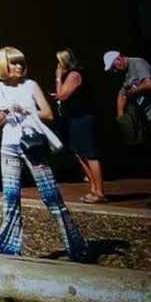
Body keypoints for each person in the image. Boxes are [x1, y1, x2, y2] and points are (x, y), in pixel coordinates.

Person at [0, 47, 90, 262]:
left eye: (21, 63)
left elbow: (49, 114)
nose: (19, 67)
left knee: (51, 194)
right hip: (9, 145)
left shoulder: (31, 86)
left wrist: (27, 111)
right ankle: (8, 245)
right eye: (14, 63)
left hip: (32, 144)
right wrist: (7, 112)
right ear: (4, 66)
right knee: (10, 196)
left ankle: (76, 245)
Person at [53, 51, 106, 202]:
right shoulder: (68, 76)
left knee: (90, 153)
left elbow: (62, 95)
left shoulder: (74, 75)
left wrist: (58, 77)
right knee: (79, 153)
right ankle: (93, 188)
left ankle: (100, 192)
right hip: (74, 118)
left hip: (83, 118)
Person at [104, 49, 151, 186]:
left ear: (119, 60)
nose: (115, 71)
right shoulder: (127, 74)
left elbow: (148, 83)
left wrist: (133, 92)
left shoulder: (138, 63)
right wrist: (120, 115)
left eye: (114, 68)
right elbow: (121, 94)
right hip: (147, 117)